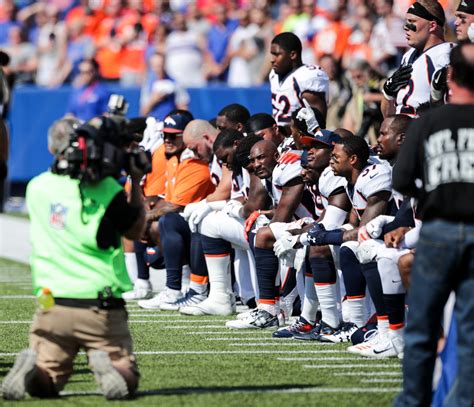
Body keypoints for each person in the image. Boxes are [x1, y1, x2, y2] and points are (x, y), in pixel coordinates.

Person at [1, 117, 146, 400]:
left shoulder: (37, 188)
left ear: (51, 147)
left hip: (51, 302)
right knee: (127, 374)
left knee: (48, 380)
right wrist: (136, 179)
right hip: (100, 304)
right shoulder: (107, 190)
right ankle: (111, 370)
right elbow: (136, 229)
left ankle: (34, 371)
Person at [393, 42, 474, 407]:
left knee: (423, 326)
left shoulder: (428, 122)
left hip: (438, 228)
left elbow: (403, 180)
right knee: (470, 333)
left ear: (451, 76)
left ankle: (413, 402)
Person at [381, 0, 453, 116]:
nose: (405, 27)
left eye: (412, 21)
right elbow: (388, 117)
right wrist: (387, 93)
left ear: (432, 26)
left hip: (423, 129)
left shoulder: (447, 53)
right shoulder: (408, 56)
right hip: (401, 129)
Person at [269, 32, 329, 128]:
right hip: (278, 135)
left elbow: (318, 123)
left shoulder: (308, 76)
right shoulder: (274, 74)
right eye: (272, 54)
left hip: (299, 138)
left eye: (277, 54)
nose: (272, 59)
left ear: (292, 55)